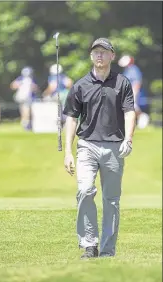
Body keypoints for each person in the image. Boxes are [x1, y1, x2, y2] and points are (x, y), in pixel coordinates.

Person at [63, 38, 136, 259]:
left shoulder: (122, 83)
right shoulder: (80, 85)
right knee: (85, 191)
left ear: (112, 56)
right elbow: (71, 118)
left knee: (111, 200)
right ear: (91, 56)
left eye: (104, 52)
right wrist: (68, 151)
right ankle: (89, 244)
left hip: (114, 146)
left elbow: (129, 112)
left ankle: (107, 250)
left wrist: (129, 138)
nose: (99, 56)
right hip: (87, 145)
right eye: (96, 52)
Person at [118, 55, 150, 128]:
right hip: (127, 93)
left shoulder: (134, 70)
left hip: (134, 92)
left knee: (133, 107)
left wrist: (134, 94)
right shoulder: (127, 70)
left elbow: (136, 83)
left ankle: (142, 117)